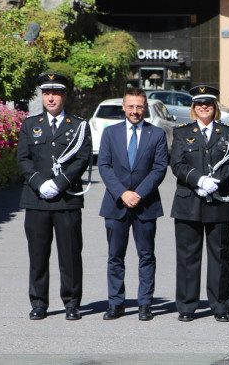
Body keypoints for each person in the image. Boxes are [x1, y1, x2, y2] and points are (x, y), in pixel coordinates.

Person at [17, 73, 92, 320]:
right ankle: (38, 303)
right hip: (36, 199)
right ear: (42, 95)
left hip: (66, 199)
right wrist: (40, 183)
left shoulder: (78, 126)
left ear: (64, 96)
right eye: (47, 93)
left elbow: (82, 159)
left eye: (56, 93)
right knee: (38, 254)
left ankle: (72, 303)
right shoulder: (30, 124)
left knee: (70, 255)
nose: (51, 98)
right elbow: (23, 159)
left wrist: (59, 183)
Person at [170, 85, 229, 322]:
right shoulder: (181, 133)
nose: (204, 107)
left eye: (208, 103)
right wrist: (198, 180)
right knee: (188, 257)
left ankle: (220, 306)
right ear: (193, 107)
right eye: (199, 103)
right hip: (189, 200)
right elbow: (177, 164)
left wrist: (215, 182)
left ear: (215, 106)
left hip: (220, 202)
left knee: (219, 256)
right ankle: (187, 306)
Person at [97, 88, 169, 321]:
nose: (135, 111)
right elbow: (104, 166)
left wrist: (137, 194)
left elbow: (159, 168)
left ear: (145, 107)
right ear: (124, 107)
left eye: (139, 106)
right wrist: (122, 193)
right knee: (115, 256)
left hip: (145, 204)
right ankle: (115, 303)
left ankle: (145, 303)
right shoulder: (110, 133)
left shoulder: (156, 134)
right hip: (116, 204)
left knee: (146, 255)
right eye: (131, 106)